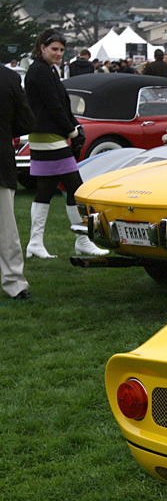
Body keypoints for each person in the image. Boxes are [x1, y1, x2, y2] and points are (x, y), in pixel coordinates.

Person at [24, 29, 107, 258]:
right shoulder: (41, 71)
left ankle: (36, 242)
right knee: (74, 187)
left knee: (47, 189)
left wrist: (74, 126)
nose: (59, 53)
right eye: (54, 49)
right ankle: (82, 240)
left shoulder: (46, 70)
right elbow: (54, 106)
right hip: (49, 136)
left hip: (47, 135)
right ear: (42, 48)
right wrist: (72, 129)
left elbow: (61, 104)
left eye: (61, 49)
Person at [0, 63, 34, 299]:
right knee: (5, 228)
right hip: (1, 159)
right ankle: (14, 282)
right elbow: (26, 122)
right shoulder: (9, 78)